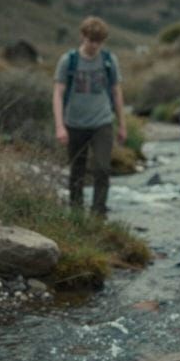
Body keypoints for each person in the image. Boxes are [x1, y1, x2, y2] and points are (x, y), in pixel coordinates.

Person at [52, 15, 127, 218]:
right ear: (82, 36)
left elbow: (116, 92)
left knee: (102, 168)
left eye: (98, 41)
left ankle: (98, 214)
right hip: (74, 123)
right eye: (90, 40)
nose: (94, 45)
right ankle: (76, 214)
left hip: (102, 122)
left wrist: (122, 125)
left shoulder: (109, 61)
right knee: (77, 170)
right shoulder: (68, 61)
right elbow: (58, 93)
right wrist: (60, 126)